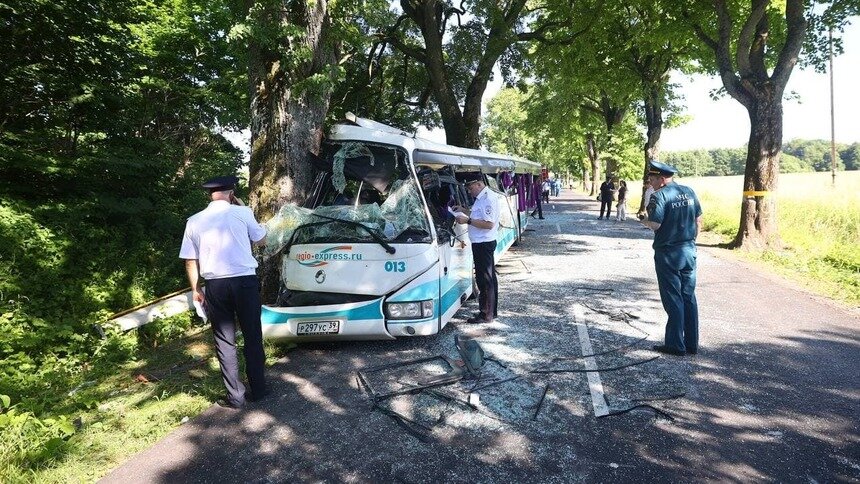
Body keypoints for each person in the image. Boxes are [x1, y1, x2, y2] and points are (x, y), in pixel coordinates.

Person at [179, 175, 269, 409]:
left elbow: (190, 261)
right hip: (245, 282)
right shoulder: (243, 212)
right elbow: (262, 241)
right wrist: (243, 209)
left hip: (216, 285)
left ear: (209, 194)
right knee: (252, 335)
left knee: (224, 341)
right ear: (231, 193)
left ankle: (235, 397)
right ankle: (259, 389)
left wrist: (196, 290)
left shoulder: (194, 221)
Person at [641, 162, 703, 356]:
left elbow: (655, 224)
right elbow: (698, 220)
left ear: (662, 178)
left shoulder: (658, 196)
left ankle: (676, 344)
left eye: (652, 179)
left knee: (673, 297)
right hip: (688, 250)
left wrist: (643, 219)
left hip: (668, 253)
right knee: (688, 296)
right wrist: (691, 240)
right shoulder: (689, 191)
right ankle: (691, 344)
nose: (650, 182)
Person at [453, 173, 499, 324]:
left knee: (484, 280)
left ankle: (485, 314)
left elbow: (488, 224)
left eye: (470, 187)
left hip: (483, 243)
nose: (468, 190)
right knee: (490, 278)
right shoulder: (482, 198)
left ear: (479, 184)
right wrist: (464, 210)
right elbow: (477, 214)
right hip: (482, 242)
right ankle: (492, 311)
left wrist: (468, 220)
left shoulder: (488, 199)